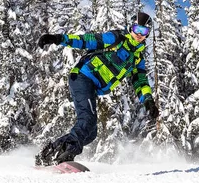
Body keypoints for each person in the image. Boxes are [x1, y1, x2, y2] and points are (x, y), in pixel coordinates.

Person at [35, 11, 159, 166]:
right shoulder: (117, 39)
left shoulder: (137, 58)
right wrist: (58, 38)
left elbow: (140, 82)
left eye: (144, 31)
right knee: (87, 120)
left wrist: (148, 101)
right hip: (82, 76)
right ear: (131, 28)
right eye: (137, 29)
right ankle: (65, 155)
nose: (140, 34)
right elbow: (88, 40)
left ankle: (50, 152)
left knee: (91, 133)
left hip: (92, 87)